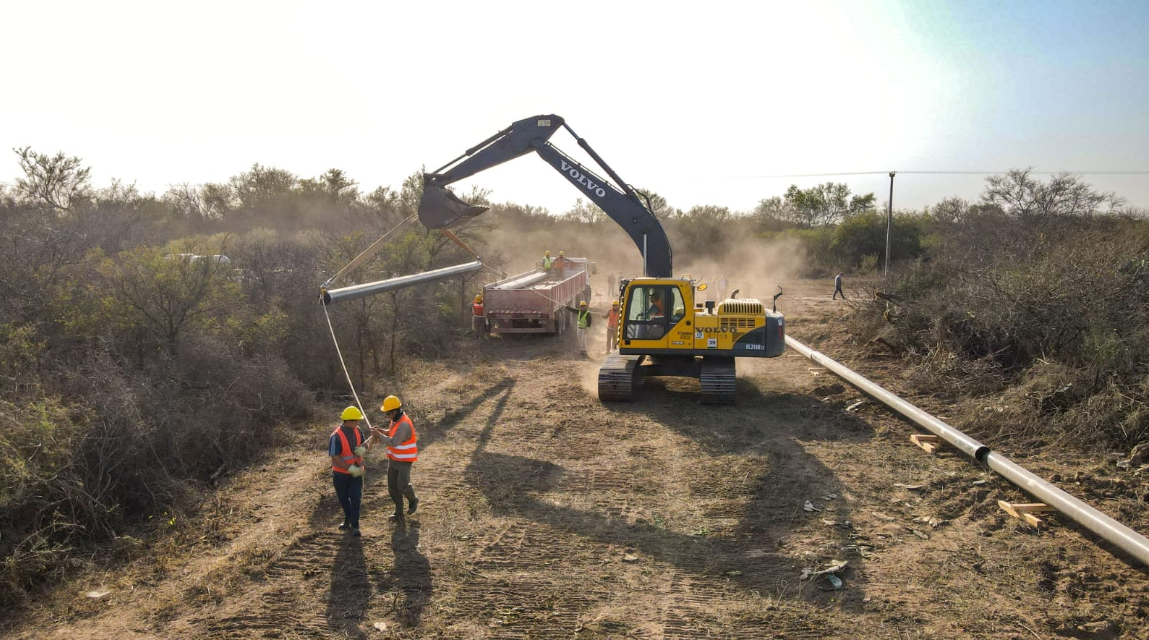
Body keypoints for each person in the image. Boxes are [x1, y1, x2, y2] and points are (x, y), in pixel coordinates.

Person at [371, 395, 419, 524]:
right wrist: (383, 431)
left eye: (388, 413)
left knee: (402, 485)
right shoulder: (396, 420)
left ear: (395, 411)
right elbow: (392, 433)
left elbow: (394, 442)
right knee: (392, 487)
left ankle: (413, 499)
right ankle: (398, 512)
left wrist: (379, 435)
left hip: (404, 460)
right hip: (393, 459)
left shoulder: (403, 424)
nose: (387, 415)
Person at [329, 406, 372, 536]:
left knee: (355, 498)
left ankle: (355, 525)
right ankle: (348, 518)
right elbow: (334, 458)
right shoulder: (336, 436)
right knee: (343, 498)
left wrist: (364, 448)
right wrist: (349, 468)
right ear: (349, 421)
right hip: (340, 474)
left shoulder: (357, 430)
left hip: (357, 473)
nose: (358, 423)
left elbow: (365, 445)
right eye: (356, 421)